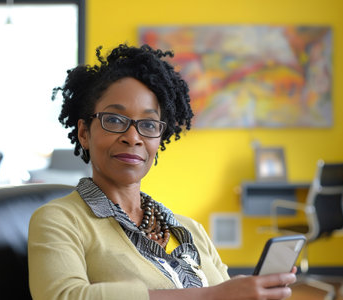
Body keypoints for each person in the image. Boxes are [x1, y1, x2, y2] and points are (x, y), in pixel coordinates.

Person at [28, 44, 296, 300]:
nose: (133, 137)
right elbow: (64, 296)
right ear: (84, 133)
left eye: (148, 124)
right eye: (114, 120)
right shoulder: (59, 221)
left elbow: (223, 292)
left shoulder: (190, 229)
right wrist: (210, 295)